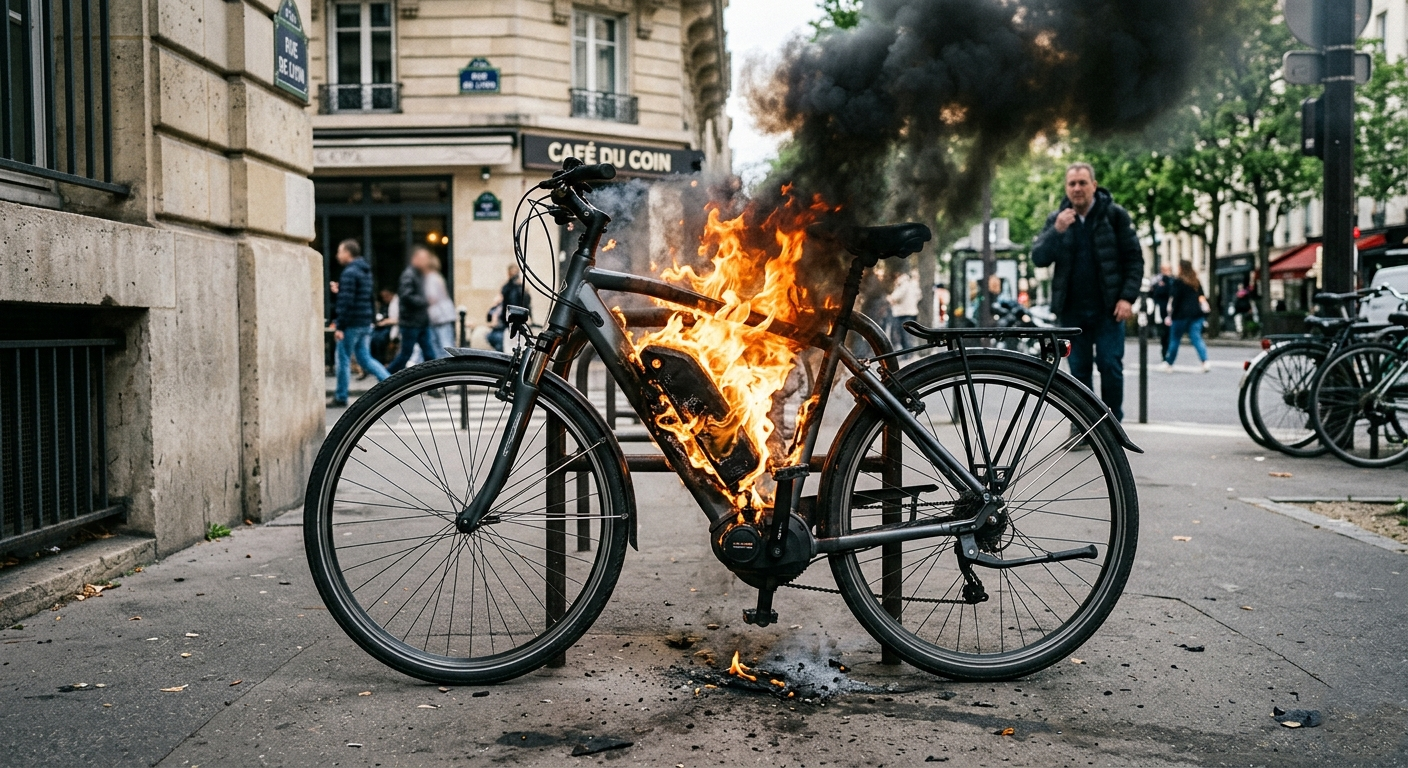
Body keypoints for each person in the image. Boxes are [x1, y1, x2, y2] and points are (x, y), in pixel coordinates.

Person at [1031, 162, 1143, 421]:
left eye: (1082, 183)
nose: (1077, 188)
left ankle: (1112, 423)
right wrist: (1056, 231)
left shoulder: (1114, 215)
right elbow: (1039, 258)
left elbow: (1134, 259)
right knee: (1079, 371)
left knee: (1110, 366)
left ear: (1094, 185)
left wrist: (1127, 298)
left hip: (1109, 309)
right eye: (1072, 184)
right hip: (1071, 311)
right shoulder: (1057, 219)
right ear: (1066, 188)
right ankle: (1083, 425)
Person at [329, 239, 390, 407]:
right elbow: (365, 296)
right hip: (364, 322)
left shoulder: (349, 272)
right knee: (365, 358)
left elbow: (347, 302)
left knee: (343, 358)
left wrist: (340, 326)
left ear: (348, 253)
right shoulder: (364, 271)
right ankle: (389, 384)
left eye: (340, 251)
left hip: (351, 323)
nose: (337, 255)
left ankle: (341, 396)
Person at [386, 246, 441, 373]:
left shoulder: (420, 274)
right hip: (411, 323)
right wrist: (426, 301)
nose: (426, 261)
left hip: (421, 322)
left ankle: (433, 386)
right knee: (405, 354)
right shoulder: (409, 274)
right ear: (415, 259)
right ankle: (385, 377)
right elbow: (406, 296)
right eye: (423, 258)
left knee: (429, 355)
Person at [1160, 260, 1211, 373]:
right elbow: (1201, 296)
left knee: (1175, 339)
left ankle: (1169, 363)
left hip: (1180, 315)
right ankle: (1205, 361)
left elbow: (1175, 300)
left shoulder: (1178, 282)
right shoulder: (1195, 281)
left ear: (1181, 268)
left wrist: (1170, 315)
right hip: (1196, 314)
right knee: (1196, 338)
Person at [487, 264, 531, 352]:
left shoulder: (517, 288)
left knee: (512, 347)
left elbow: (526, 303)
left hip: (513, 322)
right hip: (510, 323)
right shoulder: (510, 288)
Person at [424, 254, 458, 350]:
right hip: (441, 315)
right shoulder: (436, 277)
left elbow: (432, 297)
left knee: (445, 344)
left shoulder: (431, 278)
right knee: (443, 343)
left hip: (440, 316)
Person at [886, 269, 921, 351]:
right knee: (905, 334)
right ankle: (908, 352)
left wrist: (889, 297)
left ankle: (908, 353)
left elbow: (895, 297)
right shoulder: (911, 283)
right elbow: (919, 296)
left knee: (905, 335)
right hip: (909, 312)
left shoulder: (903, 283)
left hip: (904, 313)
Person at [1148, 262, 1174, 361]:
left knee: (1170, 333)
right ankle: (1165, 353)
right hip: (1162, 310)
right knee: (1164, 333)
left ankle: (1168, 353)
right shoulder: (1157, 280)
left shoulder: (1173, 280)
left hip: (1171, 310)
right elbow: (1152, 292)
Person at [371, 287, 398, 362]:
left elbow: (397, 319)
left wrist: (384, 322)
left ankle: (380, 361)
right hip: (384, 326)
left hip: (393, 327)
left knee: (379, 339)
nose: (384, 299)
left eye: (385, 296)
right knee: (373, 337)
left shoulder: (396, 302)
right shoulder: (386, 304)